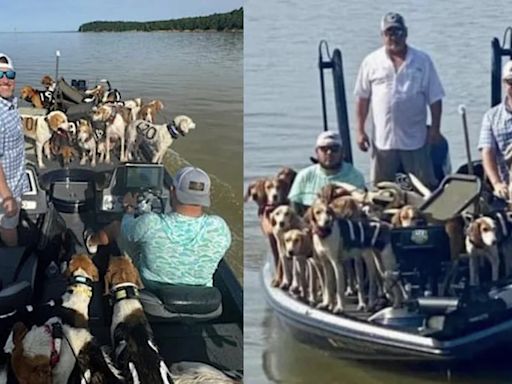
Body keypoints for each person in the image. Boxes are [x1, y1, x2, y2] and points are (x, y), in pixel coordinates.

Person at [85, 166, 231, 289]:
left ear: (173, 190)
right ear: (207, 195)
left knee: (117, 227)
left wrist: (129, 207)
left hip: (151, 290)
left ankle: (92, 242)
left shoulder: (151, 223)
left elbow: (127, 231)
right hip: (201, 298)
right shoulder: (220, 228)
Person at [354, 12, 445, 190]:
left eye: (398, 31)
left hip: (415, 140)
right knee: (381, 190)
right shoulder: (371, 61)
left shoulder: (422, 60)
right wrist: (359, 131)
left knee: (423, 189)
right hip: (383, 141)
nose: (394, 37)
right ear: (382, 35)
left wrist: (435, 129)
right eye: (389, 33)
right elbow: (362, 98)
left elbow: (435, 98)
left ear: (406, 32)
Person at [287, 130, 365, 215]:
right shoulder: (304, 176)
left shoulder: (355, 175)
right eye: (324, 149)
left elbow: (359, 207)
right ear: (316, 152)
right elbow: (294, 209)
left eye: (334, 149)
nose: (329, 152)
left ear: (342, 152)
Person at [0, 53, 28, 247]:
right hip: (4, 191)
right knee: (8, 227)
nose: (5, 80)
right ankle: (13, 258)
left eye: (9, 75)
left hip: (14, 182)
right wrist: (7, 196)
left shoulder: (10, 105)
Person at [479, 60, 512, 199]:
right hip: (506, 187)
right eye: (510, 82)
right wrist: (497, 183)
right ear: (505, 84)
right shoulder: (491, 117)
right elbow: (487, 152)